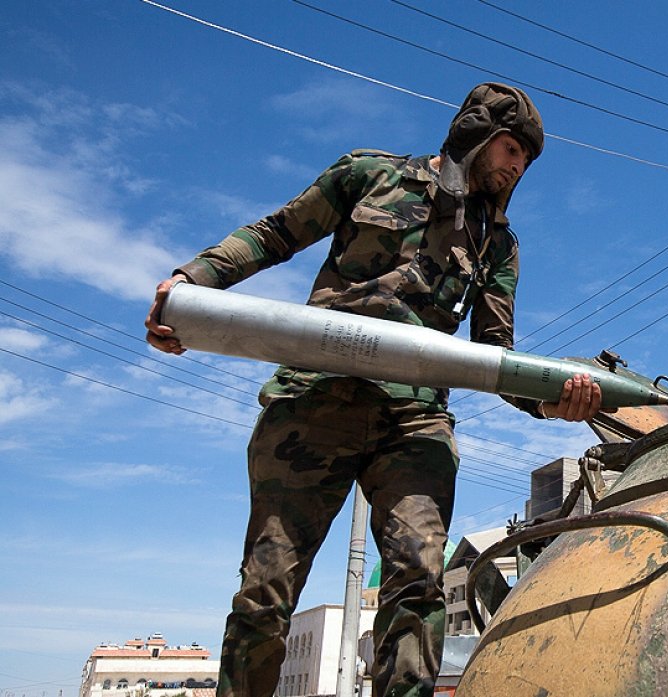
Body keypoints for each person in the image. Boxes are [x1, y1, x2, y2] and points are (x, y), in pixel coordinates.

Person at [144, 82, 603, 697]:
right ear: (475, 132)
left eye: (527, 159)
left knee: (418, 583)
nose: (518, 166)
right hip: (316, 398)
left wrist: (551, 401)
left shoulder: (498, 244)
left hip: (413, 422)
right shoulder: (368, 175)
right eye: (512, 147)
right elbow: (276, 233)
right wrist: (190, 287)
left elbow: (495, 356)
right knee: (266, 589)